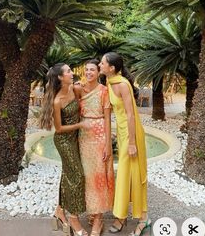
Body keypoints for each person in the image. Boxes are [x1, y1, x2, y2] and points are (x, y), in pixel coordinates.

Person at [99, 52, 151, 236]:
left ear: (111, 68)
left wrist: (131, 143)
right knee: (125, 173)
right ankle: (125, 216)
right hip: (122, 133)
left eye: (102, 62)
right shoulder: (110, 81)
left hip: (132, 135)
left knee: (133, 174)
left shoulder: (121, 84)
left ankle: (139, 218)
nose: (100, 64)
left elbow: (130, 114)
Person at [40, 63, 89, 236]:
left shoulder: (73, 90)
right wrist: (80, 125)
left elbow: (86, 94)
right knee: (77, 175)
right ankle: (74, 219)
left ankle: (59, 211)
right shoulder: (57, 101)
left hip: (75, 138)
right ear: (60, 77)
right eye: (68, 71)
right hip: (64, 141)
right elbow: (59, 129)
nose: (72, 73)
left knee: (67, 174)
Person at [74, 59, 115, 236]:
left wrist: (108, 144)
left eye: (92, 69)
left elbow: (107, 119)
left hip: (99, 136)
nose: (89, 72)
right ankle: (91, 211)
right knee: (86, 176)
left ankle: (98, 220)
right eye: (87, 70)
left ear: (98, 72)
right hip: (83, 135)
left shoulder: (105, 91)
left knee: (98, 177)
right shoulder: (79, 89)